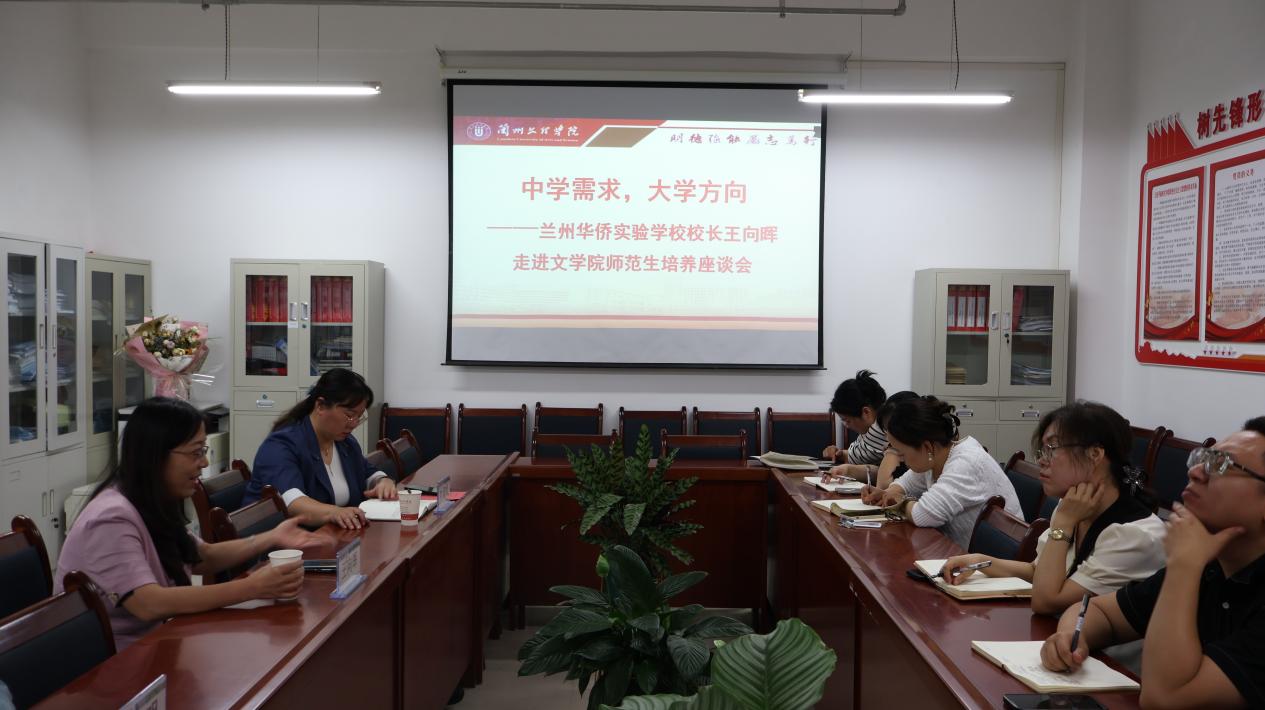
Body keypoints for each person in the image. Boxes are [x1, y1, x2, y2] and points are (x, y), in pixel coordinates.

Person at [55, 397, 323, 650]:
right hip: (119, 661)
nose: (204, 462)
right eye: (196, 452)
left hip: (161, 641)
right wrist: (251, 587)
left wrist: (272, 537)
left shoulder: (150, 500)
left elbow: (202, 556)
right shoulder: (110, 517)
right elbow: (149, 603)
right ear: (156, 455)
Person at [1040, 418, 1265, 709]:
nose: (1195, 472)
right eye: (1203, 459)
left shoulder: (1192, 561)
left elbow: (1163, 699)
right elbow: (1099, 611)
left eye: (1221, 465)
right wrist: (1071, 636)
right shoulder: (1212, 566)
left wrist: (1184, 567)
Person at [941, 401, 1166, 615]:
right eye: (1042, 451)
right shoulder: (1073, 507)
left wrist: (1064, 525)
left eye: (1052, 448)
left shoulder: (1134, 536)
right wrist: (980, 561)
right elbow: (1037, 572)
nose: (1042, 460)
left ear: (1095, 454)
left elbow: (1046, 601)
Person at [859, 395, 1022, 549]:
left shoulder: (965, 463)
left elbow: (923, 515)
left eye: (902, 453)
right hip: (961, 553)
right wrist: (887, 493)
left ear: (927, 447)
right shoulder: (935, 457)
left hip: (995, 561)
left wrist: (899, 502)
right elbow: (905, 483)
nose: (900, 459)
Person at [244, 367, 396, 530]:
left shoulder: (345, 442)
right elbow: (292, 502)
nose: (354, 424)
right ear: (321, 406)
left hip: (333, 535)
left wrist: (382, 481)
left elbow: (367, 472)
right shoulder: (280, 445)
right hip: (283, 541)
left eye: (359, 417)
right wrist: (335, 512)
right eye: (349, 415)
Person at [826, 389, 919, 488]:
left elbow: (883, 487)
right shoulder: (912, 458)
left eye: (890, 431)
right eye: (886, 430)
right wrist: (848, 470)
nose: (886, 437)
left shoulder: (921, 462)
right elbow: (884, 474)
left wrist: (891, 452)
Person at [822, 370, 889, 467]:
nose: (846, 425)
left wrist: (841, 454)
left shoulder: (879, 431)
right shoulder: (879, 421)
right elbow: (855, 453)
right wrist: (839, 453)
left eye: (847, 420)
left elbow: (854, 459)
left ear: (866, 412)